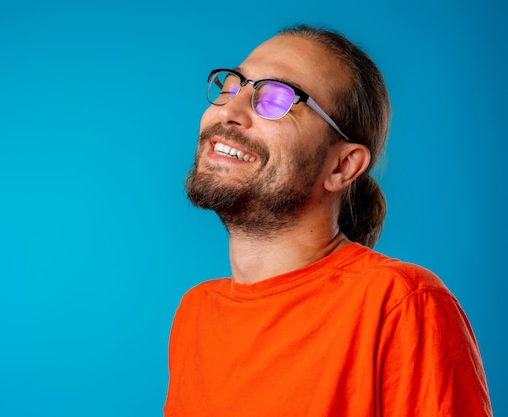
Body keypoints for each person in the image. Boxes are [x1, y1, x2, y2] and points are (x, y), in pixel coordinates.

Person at [163, 24, 493, 416]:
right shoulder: (195, 313)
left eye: (277, 98)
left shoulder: (401, 304)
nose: (229, 111)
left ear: (342, 165)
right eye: (230, 86)